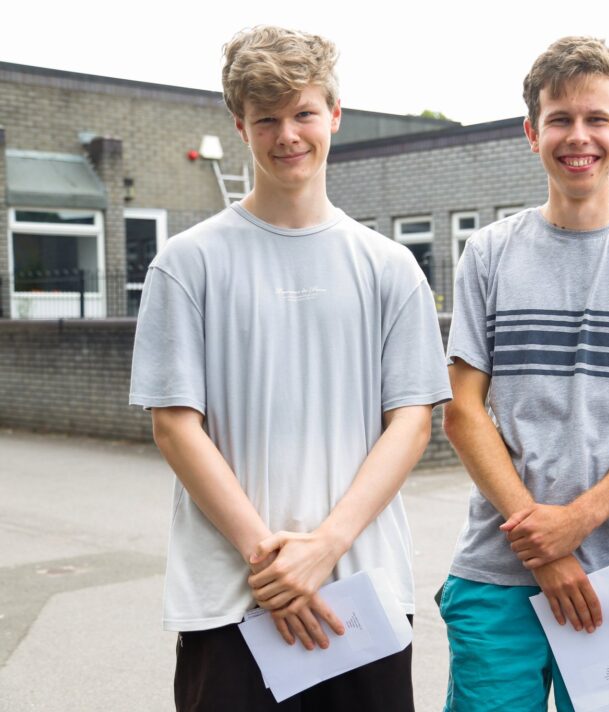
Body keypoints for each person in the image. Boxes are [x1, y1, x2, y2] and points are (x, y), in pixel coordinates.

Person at [129, 25, 450, 711]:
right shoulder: (188, 264)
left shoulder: (390, 268)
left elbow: (413, 424)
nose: (288, 135)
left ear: (334, 114)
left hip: (361, 592)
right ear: (239, 126)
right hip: (230, 601)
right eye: (266, 118)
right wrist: (271, 563)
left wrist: (323, 548)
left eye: (303, 112)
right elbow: (174, 426)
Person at [437, 36, 609, 712]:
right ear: (531, 133)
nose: (578, 136)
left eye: (596, 119)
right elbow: (461, 410)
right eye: (560, 118)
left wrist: (577, 522)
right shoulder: (490, 253)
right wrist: (544, 545)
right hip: (497, 572)